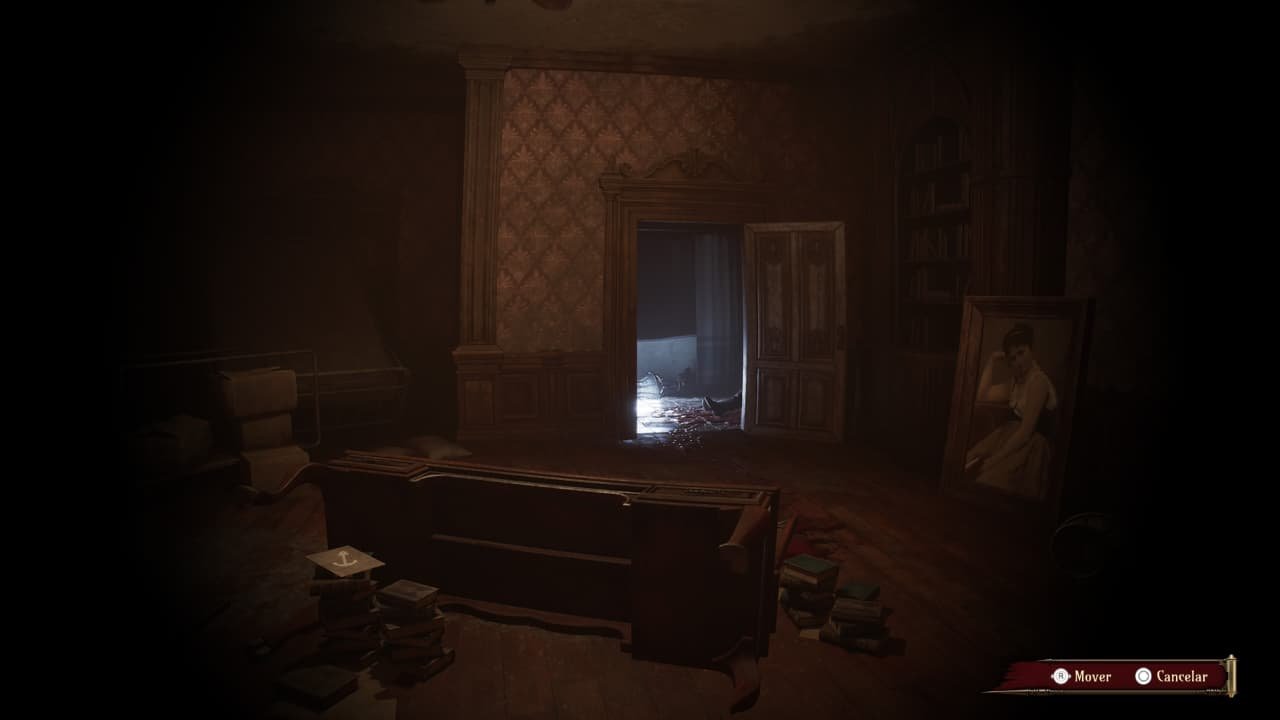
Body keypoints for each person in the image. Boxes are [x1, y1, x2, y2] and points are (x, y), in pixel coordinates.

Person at [964, 323, 1058, 499]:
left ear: (1032, 350)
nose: (1018, 362)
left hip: (1031, 445)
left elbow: (1025, 432)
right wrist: (992, 360)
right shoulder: (1016, 383)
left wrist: (994, 460)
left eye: (1021, 353)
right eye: (1013, 358)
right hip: (1009, 435)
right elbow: (982, 395)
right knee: (969, 458)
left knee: (989, 479)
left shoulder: (1038, 382)